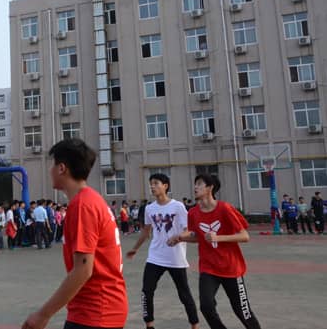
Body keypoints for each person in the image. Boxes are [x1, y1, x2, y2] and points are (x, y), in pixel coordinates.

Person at [22, 138, 127, 329]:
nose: (50, 170)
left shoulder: (82, 205)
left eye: (53, 165)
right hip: (100, 310)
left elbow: (83, 269)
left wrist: (43, 315)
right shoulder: (91, 200)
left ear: (62, 168)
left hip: (95, 313)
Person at [168, 174, 262, 329]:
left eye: (199, 184)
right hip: (209, 267)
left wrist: (218, 238)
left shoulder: (224, 208)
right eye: (195, 184)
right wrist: (180, 238)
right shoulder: (193, 213)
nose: (195, 187)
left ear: (210, 188)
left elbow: (245, 236)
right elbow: (198, 237)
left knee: (242, 310)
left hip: (231, 267)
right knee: (206, 306)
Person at [126, 173, 199, 329]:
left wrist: (178, 237)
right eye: (151, 184)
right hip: (155, 257)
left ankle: (194, 325)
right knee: (147, 291)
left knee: (184, 294)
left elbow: (188, 230)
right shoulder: (149, 208)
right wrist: (135, 249)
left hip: (175, 257)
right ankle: (149, 325)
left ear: (165, 186)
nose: (152, 186)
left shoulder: (178, 206)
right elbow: (146, 232)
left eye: (156, 183)